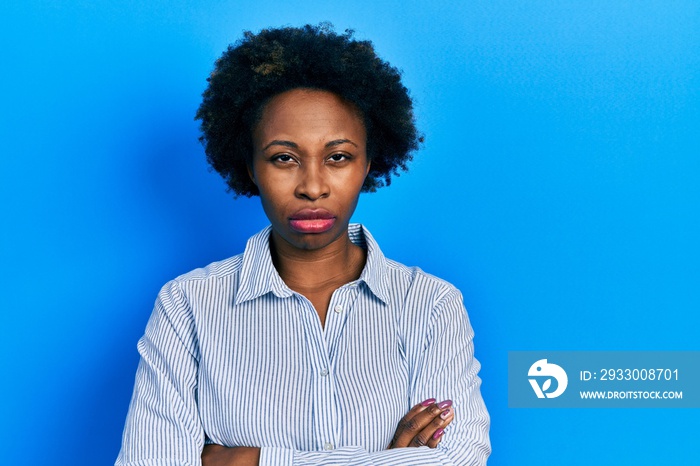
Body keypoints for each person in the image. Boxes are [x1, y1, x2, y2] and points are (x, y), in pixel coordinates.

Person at [115, 24, 490, 466]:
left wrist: (244, 461)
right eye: (283, 158)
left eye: (338, 157)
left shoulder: (431, 305)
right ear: (251, 167)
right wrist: (386, 460)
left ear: (369, 163)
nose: (312, 187)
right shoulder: (187, 307)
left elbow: (459, 460)